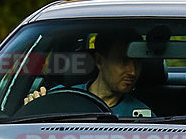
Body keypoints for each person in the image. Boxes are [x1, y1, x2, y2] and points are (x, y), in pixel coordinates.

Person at [24, 28, 154, 117]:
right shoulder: (59, 98)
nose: (132, 71)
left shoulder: (142, 114)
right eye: (123, 61)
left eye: (137, 62)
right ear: (99, 61)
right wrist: (33, 108)